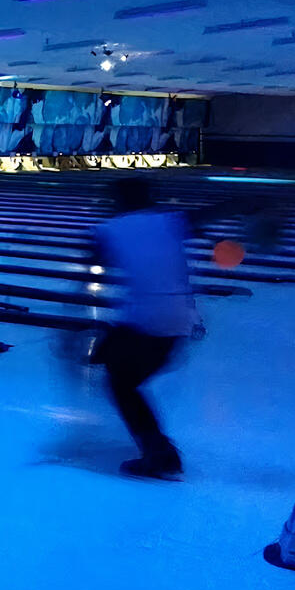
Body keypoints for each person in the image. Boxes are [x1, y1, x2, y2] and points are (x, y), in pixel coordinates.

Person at [89, 177, 200, 479]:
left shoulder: (109, 228)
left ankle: (159, 454)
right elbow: (213, 215)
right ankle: (158, 449)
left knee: (121, 383)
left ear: (119, 199)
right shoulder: (170, 220)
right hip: (180, 317)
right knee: (120, 373)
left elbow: (94, 263)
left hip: (147, 317)